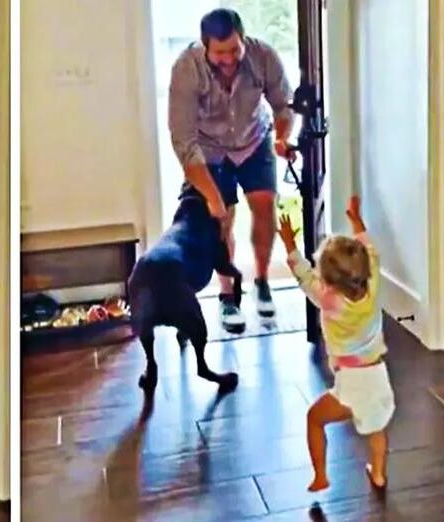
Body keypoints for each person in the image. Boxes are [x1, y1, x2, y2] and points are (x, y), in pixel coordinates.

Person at [168, 7, 295, 331]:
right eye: (220, 53)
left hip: (254, 139)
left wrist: (282, 137)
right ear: (205, 46)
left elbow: (284, 104)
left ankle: (263, 283)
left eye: (234, 50)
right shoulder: (187, 68)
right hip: (209, 148)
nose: (228, 59)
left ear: (243, 39)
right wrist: (212, 198)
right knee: (220, 221)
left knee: (265, 208)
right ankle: (228, 296)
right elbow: (184, 141)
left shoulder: (262, 55)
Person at [279, 195, 395, 492]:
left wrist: (290, 245)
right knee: (377, 429)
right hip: (379, 376)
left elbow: (304, 276)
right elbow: (368, 248)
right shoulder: (373, 284)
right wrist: (356, 218)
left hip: (352, 382)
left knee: (314, 420)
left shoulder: (329, 301)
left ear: (328, 281)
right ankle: (378, 473)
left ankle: (320, 476)